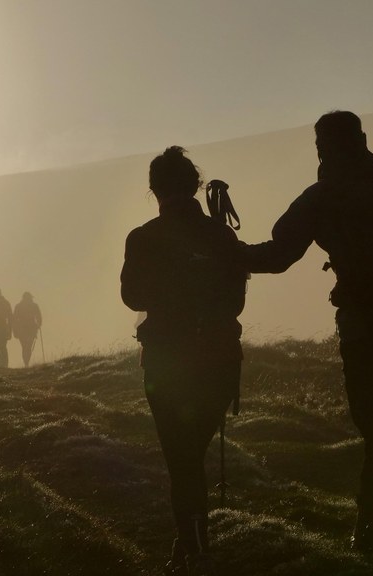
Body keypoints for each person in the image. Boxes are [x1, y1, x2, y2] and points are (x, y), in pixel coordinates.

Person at [241, 111, 373, 576]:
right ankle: (370, 525)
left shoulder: (323, 197)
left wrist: (223, 253)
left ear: (321, 147)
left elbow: (276, 255)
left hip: (368, 329)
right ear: (363, 139)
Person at [121, 146, 247, 576]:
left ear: (154, 189)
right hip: (219, 359)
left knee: (181, 457)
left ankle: (194, 549)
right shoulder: (222, 236)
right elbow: (235, 301)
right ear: (194, 185)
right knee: (192, 452)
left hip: (167, 363)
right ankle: (193, 543)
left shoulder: (143, 238)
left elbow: (132, 297)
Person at [12, 291, 42, 367]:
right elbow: (39, 316)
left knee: (25, 347)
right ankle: (26, 363)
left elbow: (14, 319)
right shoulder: (34, 306)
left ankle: (26, 363)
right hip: (31, 329)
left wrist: (15, 331)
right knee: (27, 346)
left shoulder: (18, 306)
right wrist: (38, 324)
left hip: (22, 329)